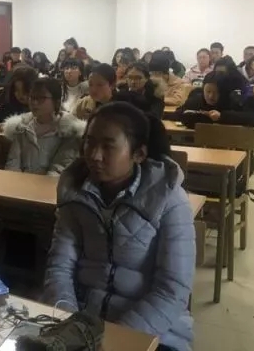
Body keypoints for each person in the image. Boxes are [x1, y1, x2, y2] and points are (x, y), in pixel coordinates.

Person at [44, 102, 195, 351]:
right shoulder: (74, 191)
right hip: (84, 319)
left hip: (153, 330)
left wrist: (114, 341)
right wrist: (71, 326)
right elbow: (60, 266)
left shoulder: (169, 199)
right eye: (90, 142)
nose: (95, 155)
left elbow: (172, 289)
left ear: (139, 154)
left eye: (108, 146)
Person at [4, 78, 85, 176]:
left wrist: (39, 183)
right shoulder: (21, 127)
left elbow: (60, 167)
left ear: (56, 102)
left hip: (51, 184)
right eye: (32, 97)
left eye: (41, 98)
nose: (34, 102)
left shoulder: (69, 131)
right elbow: (13, 162)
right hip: (21, 182)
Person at [177, 73, 254, 128]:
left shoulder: (234, 101)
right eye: (208, 91)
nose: (210, 96)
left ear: (223, 92)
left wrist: (221, 117)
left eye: (216, 92)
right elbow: (178, 113)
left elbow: (253, 118)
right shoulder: (197, 100)